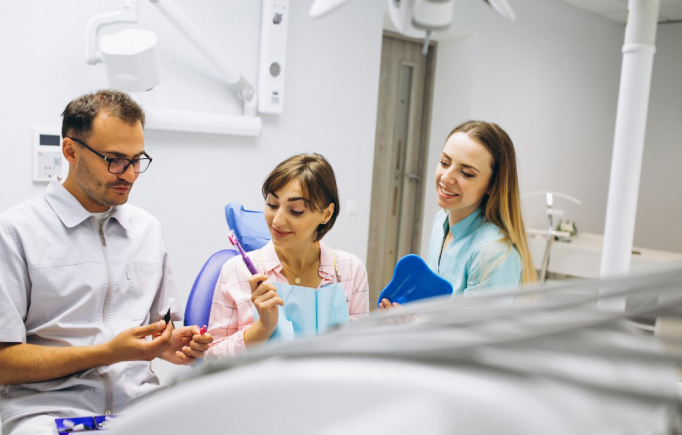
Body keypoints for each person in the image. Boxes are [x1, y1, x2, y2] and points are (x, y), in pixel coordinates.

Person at [0, 90, 212, 435]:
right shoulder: (13, 232)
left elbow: (157, 331)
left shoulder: (147, 230)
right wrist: (107, 353)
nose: (129, 174)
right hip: (50, 419)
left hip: (138, 414)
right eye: (114, 159)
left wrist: (170, 345)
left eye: (137, 160)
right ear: (70, 150)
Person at [206, 153, 369, 358]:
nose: (277, 221)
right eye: (272, 205)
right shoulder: (237, 271)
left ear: (326, 214)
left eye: (296, 210)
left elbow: (358, 355)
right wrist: (262, 328)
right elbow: (211, 359)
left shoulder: (350, 270)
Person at [381, 120, 535, 307]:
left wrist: (414, 322)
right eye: (444, 163)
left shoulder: (494, 253)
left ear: (492, 185)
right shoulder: (441, 220)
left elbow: (479, 326)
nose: (446, 177)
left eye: (466, 173)